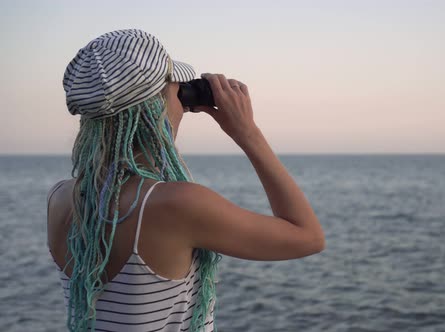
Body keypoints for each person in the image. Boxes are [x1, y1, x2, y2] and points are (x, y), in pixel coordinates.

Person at [46, 29, 325, 332]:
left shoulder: (60, 198)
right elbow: (308, 236)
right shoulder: (175, 204)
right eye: (175, 94)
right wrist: (247, 133)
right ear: (155, 108)